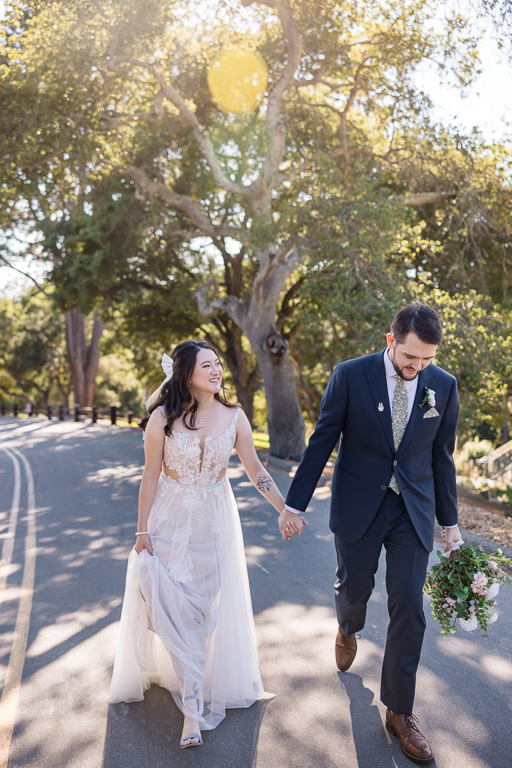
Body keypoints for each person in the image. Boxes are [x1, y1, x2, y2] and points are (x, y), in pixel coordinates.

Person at [283, 304, 461, 764]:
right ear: (390, 340)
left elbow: (442, 459)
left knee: (409, 605)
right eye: (410, 357)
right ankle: (347, 626)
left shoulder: (443, 386)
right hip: (360, 504)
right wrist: (294, 504)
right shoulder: (350, 375)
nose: (417, 367)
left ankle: (400, 711)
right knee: (354, 587)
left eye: (426, 360)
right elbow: (322, 440)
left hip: (413, 510)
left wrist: (451, 522)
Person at [110, 340, 300, 748]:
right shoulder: (161, 418)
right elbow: (149, 477)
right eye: (207, 366)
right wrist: (141, 532)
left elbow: (255, 469)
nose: (216, 371)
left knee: (198, 614)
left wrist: (284, 508)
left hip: (214, 524)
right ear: (186, 374)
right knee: (164, 600)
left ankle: (191, 710)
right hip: (166, 520)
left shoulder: (234, 416)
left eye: (218, 364)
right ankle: (192, 709)